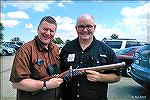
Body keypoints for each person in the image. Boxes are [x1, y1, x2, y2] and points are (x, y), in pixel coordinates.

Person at [60, 13, 121, 100]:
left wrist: (100, 77)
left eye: (89, 26)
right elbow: (60, 73)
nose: (85, 30)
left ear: (94, 28)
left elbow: (117, 77)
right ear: (76, 28)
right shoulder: (66, 48)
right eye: (81, 26)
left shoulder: (106, 50)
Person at [9, 16, 63, 100]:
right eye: (45, 29)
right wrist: (46, 85)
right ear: (38, 29)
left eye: (51, 31)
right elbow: (16, 83)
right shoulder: (25, 50)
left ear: (55, 32)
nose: (48, 33)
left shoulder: (55, 48)